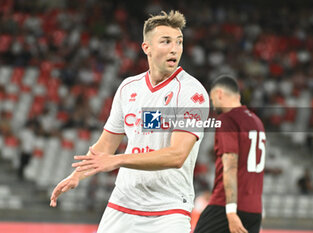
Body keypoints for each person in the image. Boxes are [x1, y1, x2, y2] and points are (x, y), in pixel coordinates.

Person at [50, 10, 209, 233]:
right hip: (123, 204)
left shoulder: (192, 93)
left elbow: (177, 155)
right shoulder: (128, 88)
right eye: (166, 41)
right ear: (147, 48)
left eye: (179, 42)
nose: (175, 48)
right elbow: (106, 144)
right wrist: (77, 175)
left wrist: (117, 160)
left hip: (168, 209)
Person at [194, 75, 265, 233]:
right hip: (254, 209)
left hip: (226, 206)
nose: (212, 104)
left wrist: (231, 211)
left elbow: (230, 166)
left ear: (219, 94)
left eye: (212, 99)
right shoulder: (256, 121)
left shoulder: (227, 120)